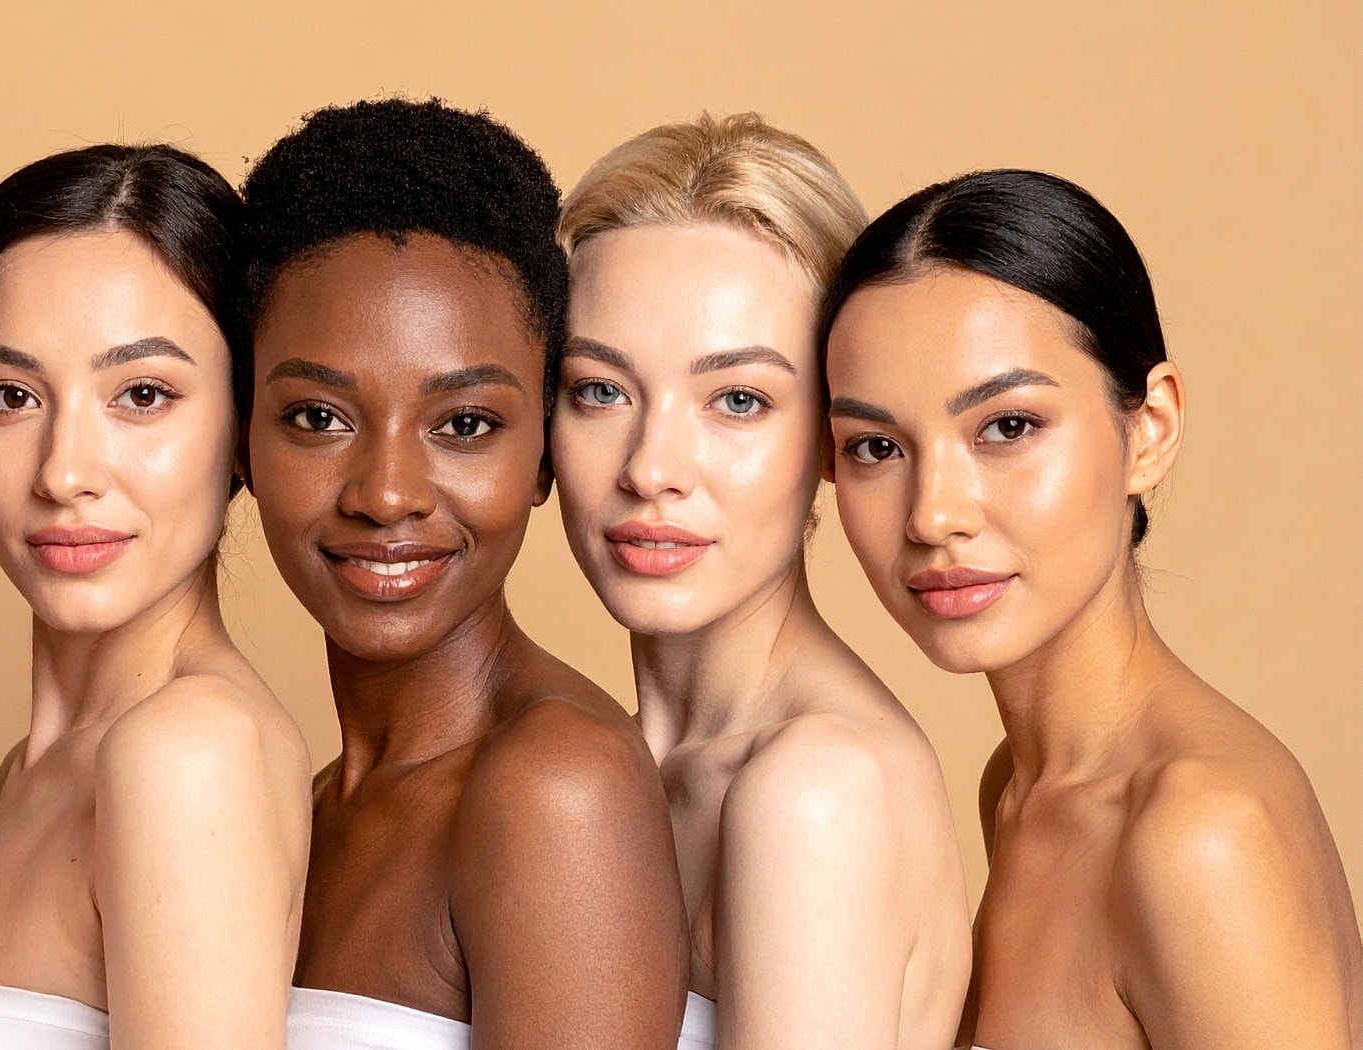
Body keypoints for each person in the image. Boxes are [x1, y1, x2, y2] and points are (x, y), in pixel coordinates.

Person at [821, 168, 1363, 1048]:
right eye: (877, 446)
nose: (933, 514)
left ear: (1148, 429)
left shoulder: (1197, 835)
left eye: (1007, 427)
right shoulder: (1023, 785)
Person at [239, 98, 690, 1050]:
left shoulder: (557, 789)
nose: (387, 494)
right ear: (240, 438)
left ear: (542, 459)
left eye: (466, 425)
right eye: (320, 417)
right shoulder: (298, 805)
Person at [550, 112, 972, 1049]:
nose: (652, 465)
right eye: (599, 389)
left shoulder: (818, 791)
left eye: (737, 400)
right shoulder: (603, 763)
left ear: (832, 435)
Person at [0, 143, 312, 1050]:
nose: (64, 472)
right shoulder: (33, 771)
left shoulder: (186, 754)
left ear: (244, 429)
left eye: (142, 393)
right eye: (11, 395)